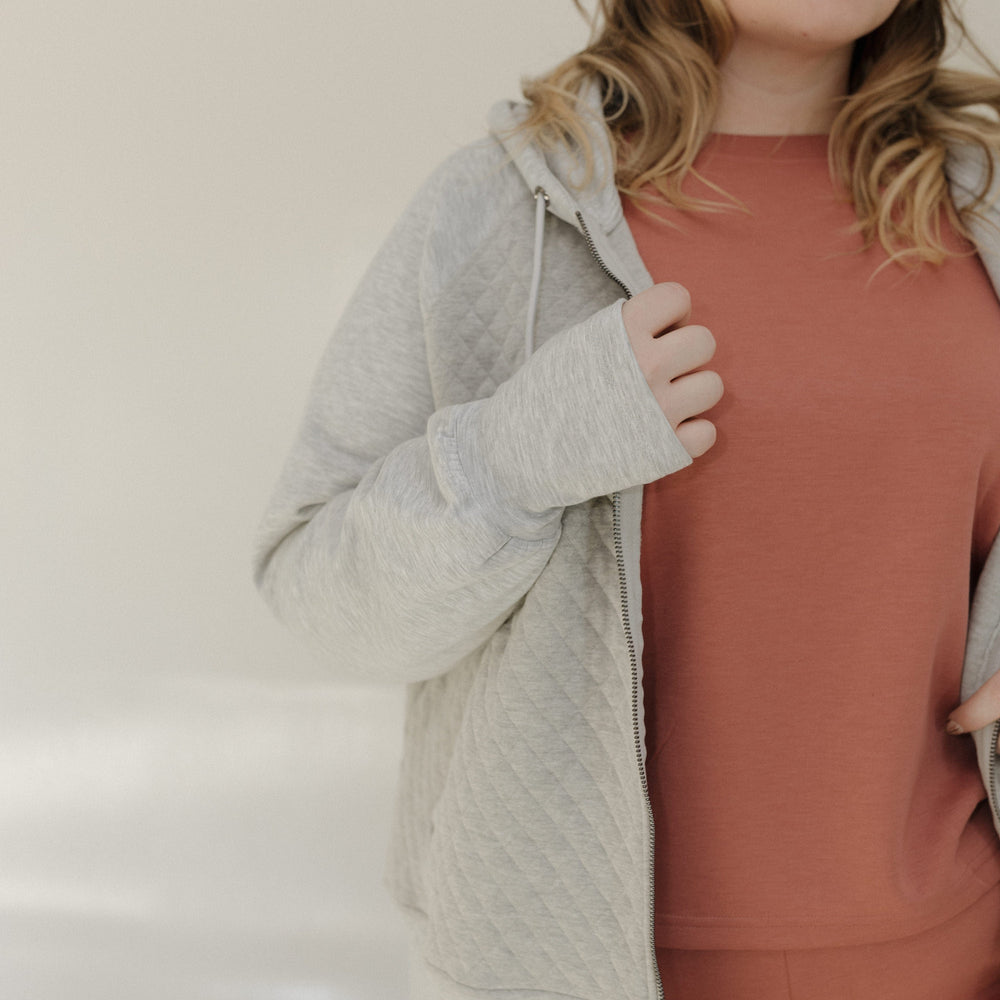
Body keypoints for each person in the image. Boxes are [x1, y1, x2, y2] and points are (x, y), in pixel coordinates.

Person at [253, 1, 1000, 996]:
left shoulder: (982, 205)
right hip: (576, 967)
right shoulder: (493, 212)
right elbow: (320, 597)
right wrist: (516, 455)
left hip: (958, 949)